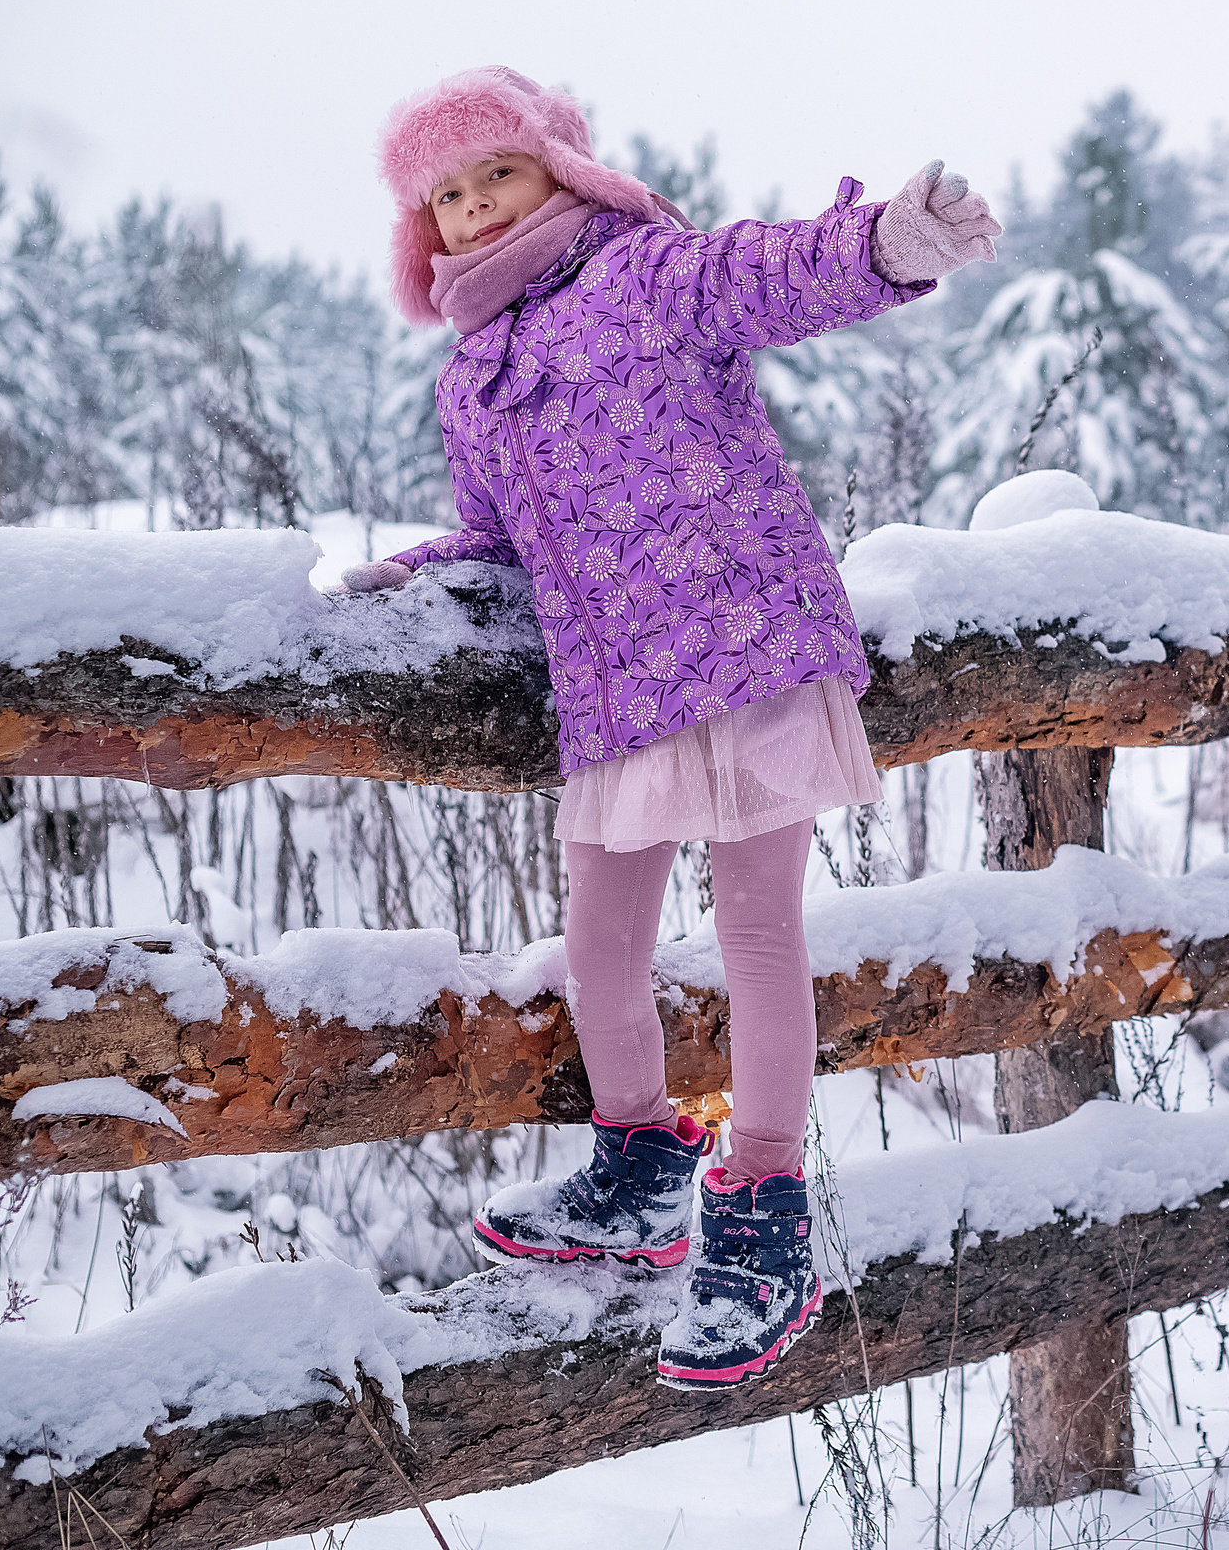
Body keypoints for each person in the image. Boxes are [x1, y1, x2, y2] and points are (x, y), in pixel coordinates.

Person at [345, 67, 998, 1389]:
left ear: (563, 173)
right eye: (447, 197)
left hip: (745, 643)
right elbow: (495, 537)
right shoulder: (472, 375)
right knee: (602, 945)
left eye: (496, 176)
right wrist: (423, 575)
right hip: (615, 684)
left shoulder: (645, 275)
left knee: (757, 932)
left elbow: (775, 274)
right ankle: (640, 1168)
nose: (472, 212)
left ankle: (763, 1219)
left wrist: (893, 240)